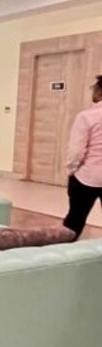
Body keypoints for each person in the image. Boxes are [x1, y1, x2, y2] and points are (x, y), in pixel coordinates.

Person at [63, 75, 102, 239]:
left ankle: (64, 251)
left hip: (87, 176)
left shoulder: (87, 116)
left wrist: (72, 170)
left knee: (75, 219)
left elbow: (76, 151)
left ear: (99, 91)